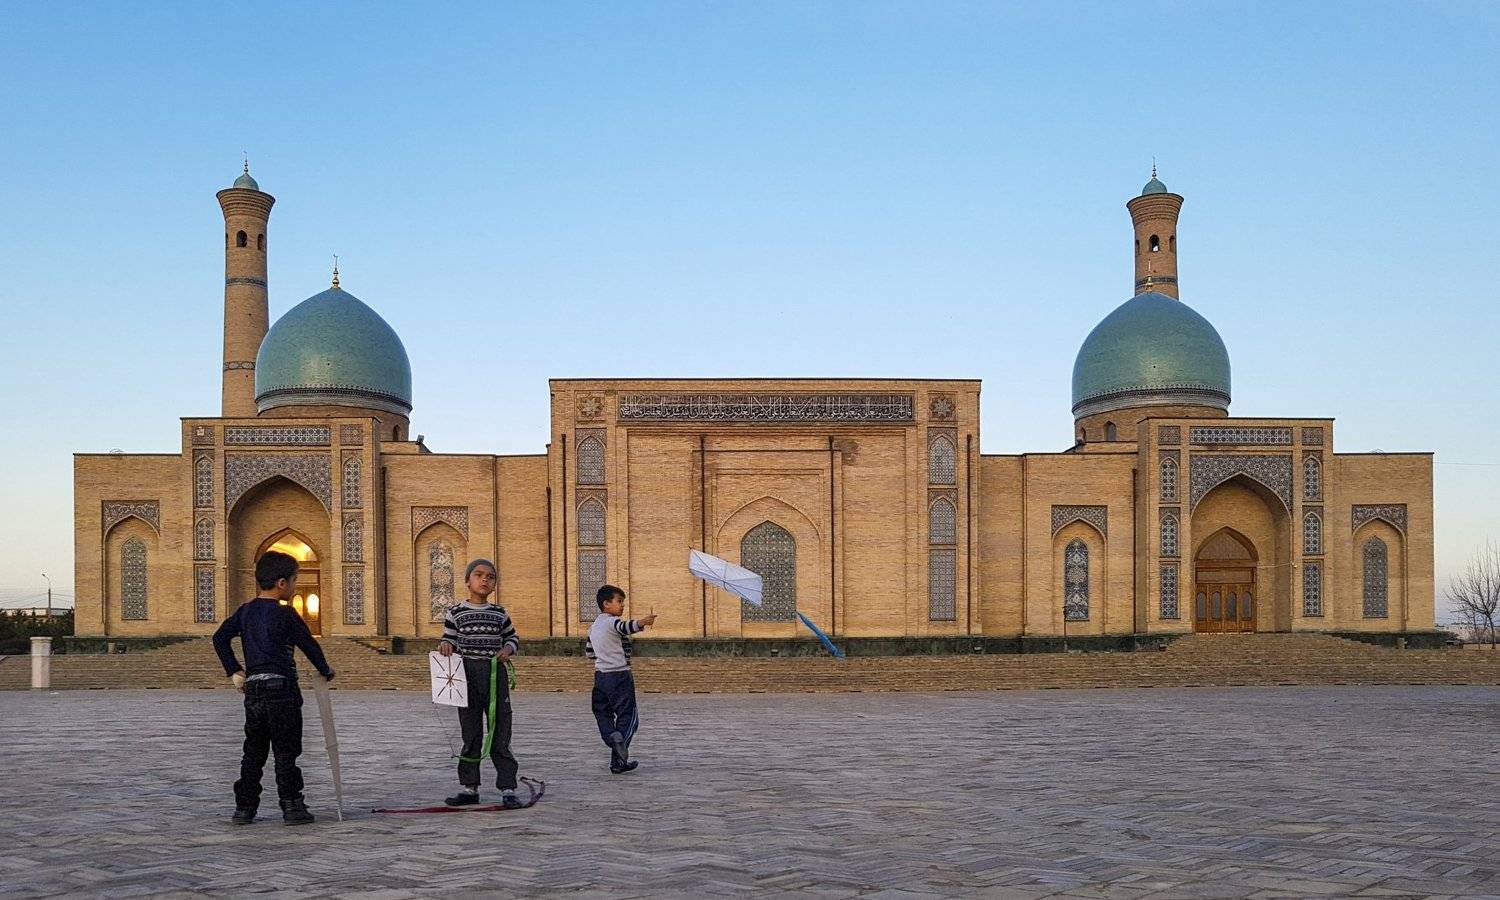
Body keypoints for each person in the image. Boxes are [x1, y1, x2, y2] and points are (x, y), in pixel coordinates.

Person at [212, 549, 335, 826]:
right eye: (294, 581)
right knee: (285, 752)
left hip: (254, 690)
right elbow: (308, 644)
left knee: (253, 752)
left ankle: (244, 808)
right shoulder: (286, 613)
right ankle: (292, 807)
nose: (294, 587)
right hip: (282, 690)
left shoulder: (245, 611)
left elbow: (219, 638)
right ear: (281, 583)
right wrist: (325, 669)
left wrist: (234, 669)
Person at [437, 559, 523, 808]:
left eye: (490, 576)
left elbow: (512, 638)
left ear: (494, 584)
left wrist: (507, 649)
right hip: (467, 674)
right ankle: (470, 787)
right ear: (468, 581)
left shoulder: (499, 613)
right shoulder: (455, 613)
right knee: (471, 732)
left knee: (500, 730)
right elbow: (449, 639)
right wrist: (446, 645)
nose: (485, 579)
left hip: (495, 673)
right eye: (478, 575)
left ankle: (507, 787)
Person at [586, 584, 656, 773]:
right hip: (619, 676)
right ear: (606, 604)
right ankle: (619, 751)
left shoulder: (593, 627)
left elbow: (590, 653)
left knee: (602, 713)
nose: (622, 605)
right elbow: (625, 627)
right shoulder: (612, 622)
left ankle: (612, 739)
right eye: (619, 601)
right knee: (628, 717)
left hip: (600, 677)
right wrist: (643, 622)